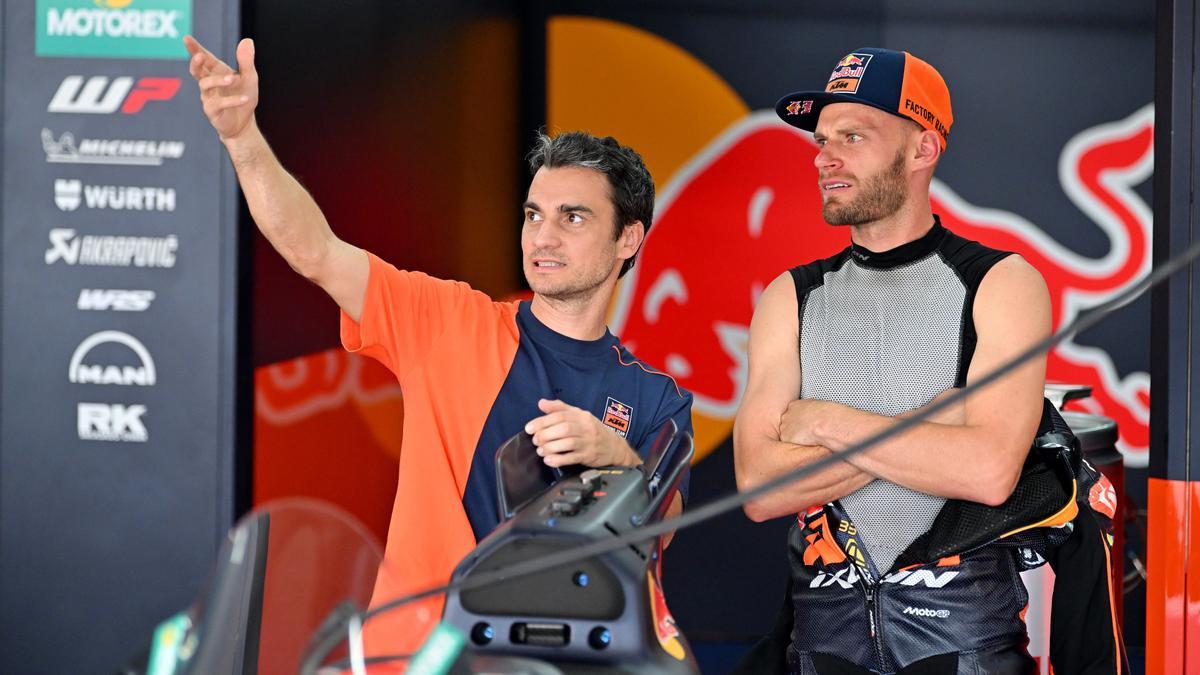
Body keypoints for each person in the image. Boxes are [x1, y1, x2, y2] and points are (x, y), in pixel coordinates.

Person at [182, 35, 692, 651]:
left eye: (573, 217)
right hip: (417, 655)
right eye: (533, 214)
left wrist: (617, 457)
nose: (543, 236)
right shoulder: (449, 319)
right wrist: (242, 138)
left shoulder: (655, 396)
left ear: (628, 238)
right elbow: (314, 251)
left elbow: (663, 535)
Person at [733, 48, 1124, 673]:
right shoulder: (792, 295)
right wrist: (934, 422)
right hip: (822, 653)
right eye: (822, 140)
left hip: (965, 652)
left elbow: (989, 472)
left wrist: (825, 422)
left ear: (923, 148)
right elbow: (759, 488)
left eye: (853, 137)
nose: (824, 157)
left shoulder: (1001, 282)